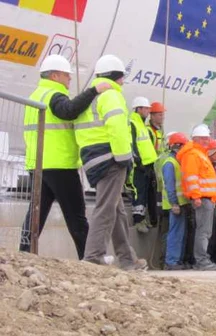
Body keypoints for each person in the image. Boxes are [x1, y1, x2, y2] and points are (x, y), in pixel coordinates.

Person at [19, 54, 111, 259]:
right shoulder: (54, 95)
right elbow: (68, 111)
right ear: (54, 75)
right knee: (76, 217)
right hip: (59, 165)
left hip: (38, 164)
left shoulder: (35, 95)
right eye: (67, 75)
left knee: (35, 215)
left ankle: (23, 254)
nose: (70, 79)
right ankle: (90, 258)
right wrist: (93, 91)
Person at [76, 54, 146, 270]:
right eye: (122, 78)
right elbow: (117, 130)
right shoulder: (111, 96)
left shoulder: (89, 98)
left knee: (116, 210)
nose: (123, 83)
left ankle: (127, 259)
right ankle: (93, 256)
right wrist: (125, 158)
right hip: (111, 159)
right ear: (117, 78)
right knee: (106, 209)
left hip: (92, 159)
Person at [177, 124, 216, 271]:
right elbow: (191, 178)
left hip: (206, 199)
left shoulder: (199, 154)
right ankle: (201, 260)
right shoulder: (192, 155)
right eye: (204, 138)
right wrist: (196, 196)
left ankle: (202, 259)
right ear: (196, 139)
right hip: (202, 199)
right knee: (203, 231)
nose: (207, 141)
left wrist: (214, 197)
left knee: (205, 231)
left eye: (207, 138)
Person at [157, 132, 190, 270]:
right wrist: (174, 203)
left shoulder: (176, 161)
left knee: (179, 233)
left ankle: (176, 261)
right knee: (175, 233)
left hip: (181, 203)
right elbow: (170, 186)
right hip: (175, 205)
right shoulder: (170, 163)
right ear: (177, 146)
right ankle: (171, 262)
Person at [129, 96, 159, 233]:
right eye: (146, 108)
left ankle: (143, 219)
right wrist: (138, 162)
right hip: (138, 167)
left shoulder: (142, 125)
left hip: (147, 166)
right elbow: (131, 145)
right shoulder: (132, 124)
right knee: (139, 193)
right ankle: (138, 220)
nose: (148, 111)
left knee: (145, 194)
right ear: (138, 109)